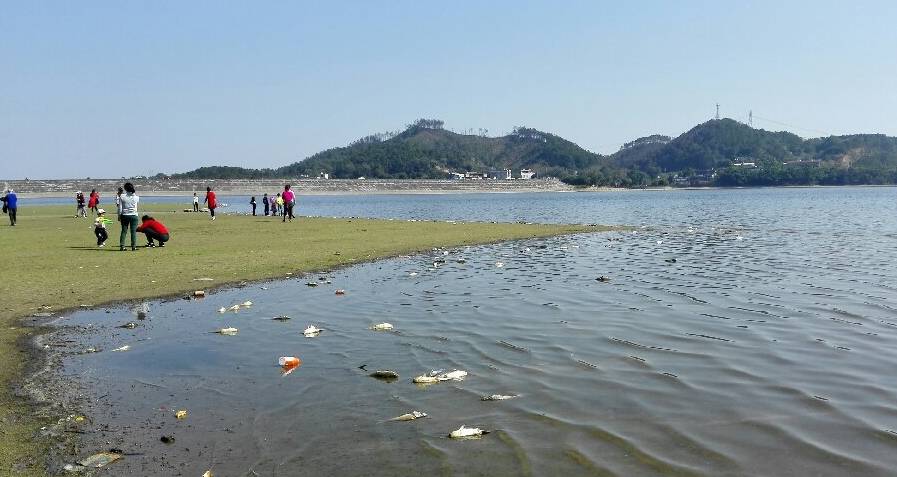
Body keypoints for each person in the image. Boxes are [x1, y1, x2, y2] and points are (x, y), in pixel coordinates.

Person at [119, 182, 139, 251]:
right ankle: (134, 246)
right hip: (134, 215)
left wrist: (119, 215)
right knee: (133, 232)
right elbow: (136, 207)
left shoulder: (122, 196)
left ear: (125, 189)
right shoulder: (136, 197)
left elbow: (120, 208)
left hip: (124, 215)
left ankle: (122, 246)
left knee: (124, 231)